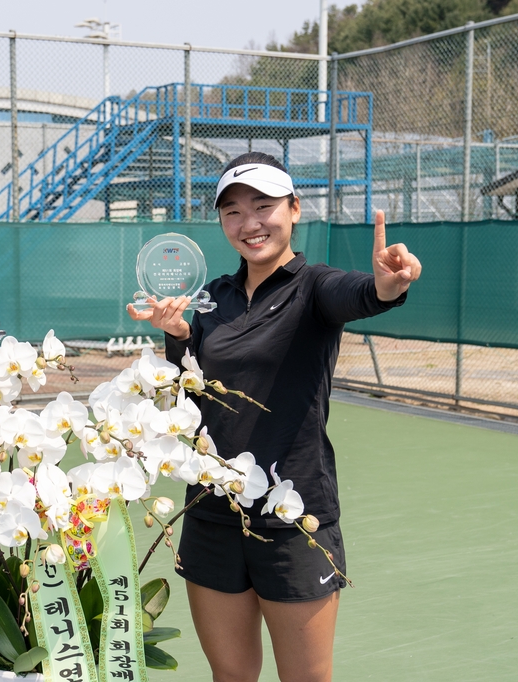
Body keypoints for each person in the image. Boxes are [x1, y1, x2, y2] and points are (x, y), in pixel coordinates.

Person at [127, 152, 421, 682]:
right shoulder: (212, 296)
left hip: (294, 519)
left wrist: (386, 287)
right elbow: (191, 390)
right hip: (212, 514)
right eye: (233, 211)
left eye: (263, 206)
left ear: (294, 208)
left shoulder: (315, 288)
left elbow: (357, 294)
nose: (250, 223)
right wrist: (175, 339)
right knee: (232, 675)